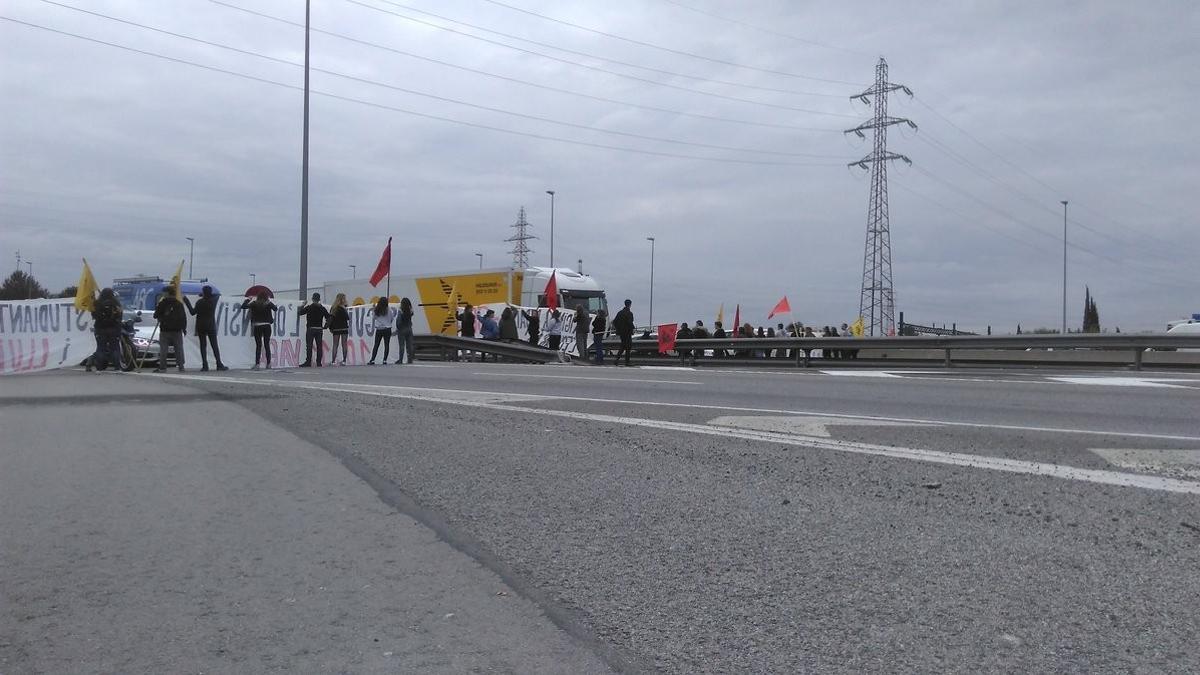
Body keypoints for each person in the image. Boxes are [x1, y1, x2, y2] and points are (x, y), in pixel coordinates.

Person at [184, 285, 227, 371]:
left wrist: (186, 300)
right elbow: (217, 296)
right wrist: (204, 295)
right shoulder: (213, 301)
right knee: (214, 345)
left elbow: (192, 312)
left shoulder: (199, 302)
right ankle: (219, 363)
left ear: (203, 292)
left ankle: (205, 365)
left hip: (201, 325)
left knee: (203, 345)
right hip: (211, 325)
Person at [153, 286, 188, 372]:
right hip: (177, 330)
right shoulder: (179, 304)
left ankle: (163, 367)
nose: (162, 294)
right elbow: (183, 317)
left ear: (167, 293)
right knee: (179, 348)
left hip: (165, 330)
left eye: (164, 292)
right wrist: (184, 328)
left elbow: (155, 315)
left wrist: (161, 316)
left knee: (164, 349)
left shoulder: (163, 303)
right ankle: (181, 366)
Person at [241, 291, 278, 370]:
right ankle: (268, 364)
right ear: (266, 297)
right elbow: (275, 309)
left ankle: (257, 364)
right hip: (267, 326)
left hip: (257, 326)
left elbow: (243, 307)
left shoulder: (254, 303)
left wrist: (248, 299)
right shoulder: (268, 304)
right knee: (267, 345)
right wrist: (270, 302)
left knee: (258, 345)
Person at [90, 287, 123, 372]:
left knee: (101, 348)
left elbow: (93, 315)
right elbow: (120, 315)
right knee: (115, 348)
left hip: (100, 328)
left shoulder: (97, 303)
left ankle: (99, 368)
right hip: (113, 328)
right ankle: (117, 367)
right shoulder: (116, 303)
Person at [298, 292, 330, 367]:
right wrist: (325, 326)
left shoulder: (309, 307)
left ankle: (308, 362)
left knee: (309, 346)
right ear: (319, 299)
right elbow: (328, 317)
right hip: (319, 329)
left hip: (310, 329)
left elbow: (300, 312)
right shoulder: (322, 308)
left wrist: (303, 305)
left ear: (312, 299)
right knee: (319, 346)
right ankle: (319, 362)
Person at [367, 297, 394, 365]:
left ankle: (372, 359)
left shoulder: (377, 309)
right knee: (386, 345)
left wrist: (374, 309)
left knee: (376, 345)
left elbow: (374, 317)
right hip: (387, 329)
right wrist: (387, 322)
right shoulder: (389, 310)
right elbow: (392, 318)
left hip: (379, 329)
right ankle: (384, 360)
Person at [328, 293, 350, 365]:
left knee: (335, 344)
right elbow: (347, 318)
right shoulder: (343, 308)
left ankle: (333, 361)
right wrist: (344, 309)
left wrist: (330, 327)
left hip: (336, 328)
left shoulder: (333, 308)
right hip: (344, 327)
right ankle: (344, 361)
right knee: (344, 344)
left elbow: (331, 318)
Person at [611, 299, 635, 366]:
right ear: (630, 304)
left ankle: (616, 360)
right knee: (628, 347)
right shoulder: (629, 313)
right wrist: (633, 328)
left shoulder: (620, 313)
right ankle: (627, 362)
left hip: (621, 333)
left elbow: (614, 322)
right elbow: (630, 322)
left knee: (622, 346)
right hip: (627, 332)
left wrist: (618, 329)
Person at [394, 297, 415, 364]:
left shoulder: (401, 310)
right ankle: (410, 359)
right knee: (410, 345)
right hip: (409, 329)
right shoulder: (410, 310)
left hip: (402, 329)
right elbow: (412, 314)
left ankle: (401, 360)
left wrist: (398, 328)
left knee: (402, 345)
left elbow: (398, 321)